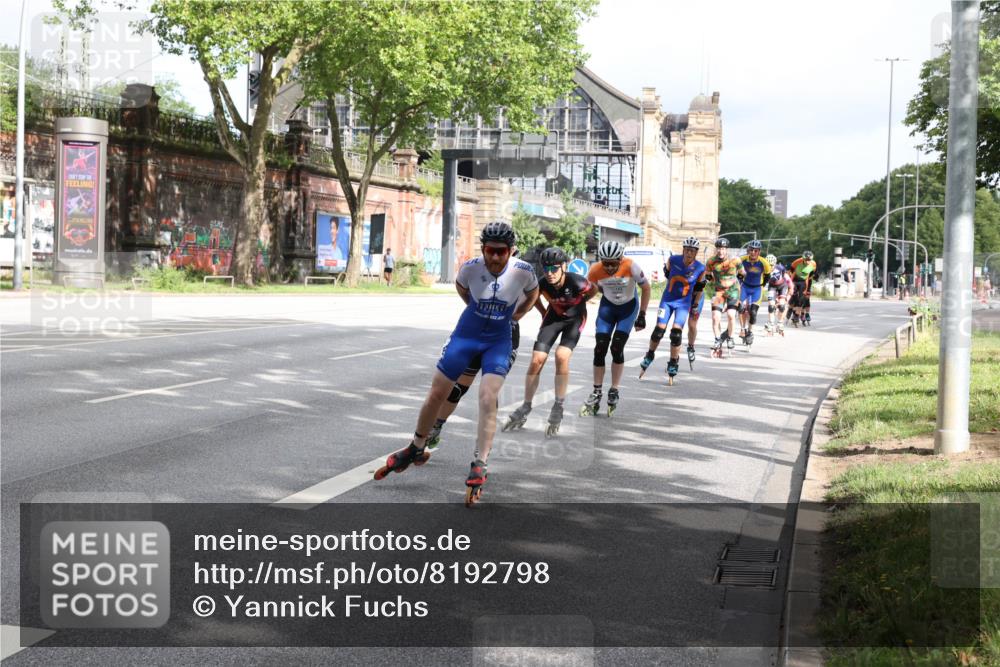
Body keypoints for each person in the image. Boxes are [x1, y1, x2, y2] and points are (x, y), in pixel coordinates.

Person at [374, 222, 539, 506]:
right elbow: (462, 290)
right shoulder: (470, 268)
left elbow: (533, 295)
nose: (495, 257)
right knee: (438, 392)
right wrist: (478, 310)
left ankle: (480, 463)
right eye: (490, 251)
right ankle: (416, 445)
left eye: (501, 252)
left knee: (487, 396)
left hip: (499, 340)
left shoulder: (523, 271)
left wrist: (516, 315)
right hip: (467, 334)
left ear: (511, 251)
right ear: (483, 249)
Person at [503, 247, 597, 436]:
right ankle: (526, 405)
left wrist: (582, 301)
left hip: (574, 320)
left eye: (554, 268)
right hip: (553, 318)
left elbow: (593, 290)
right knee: (536, 360)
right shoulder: (543, 283)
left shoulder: (577, 282)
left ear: (564, 267)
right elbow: (532, 299)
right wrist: (541, 311)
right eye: (546, 269)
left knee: (561, 356)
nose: (550, 273)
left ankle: (558, 405)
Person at [580, 240, 651, 417]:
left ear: (620, 259)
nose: (610, 267)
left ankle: (614, 389)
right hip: (608, 309)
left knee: (617, 347)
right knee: (600, 348)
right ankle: (597, 391)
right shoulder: (595, 270)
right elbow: (589, 291)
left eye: (613, 263)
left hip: (628, 308)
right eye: (606, 263)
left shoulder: (631, 266)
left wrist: (642, 314)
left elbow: (646, 288)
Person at [639, 236, 706, 384]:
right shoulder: (673, 260)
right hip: (667, 301)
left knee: (676, 333)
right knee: (659, 331)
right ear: (683, 250)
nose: (689, 253)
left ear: (696, 253)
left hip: (683, 304)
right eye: (687, 250)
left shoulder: (700, 268)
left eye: (692, 251)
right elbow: (668, 274)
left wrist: (695, 304)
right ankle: (649, 355)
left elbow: (699, 289)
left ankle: (673, 362)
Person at [705, 238, 745, 357]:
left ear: (727, 249)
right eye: (718, 248)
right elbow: (708, 276)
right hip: (719, 291)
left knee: (731, 315)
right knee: (715, 317)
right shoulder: (711, 262)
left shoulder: (735, 260)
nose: (720, 251)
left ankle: (730, 338)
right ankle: (717, 339)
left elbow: (742, 274)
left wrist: (737, 288)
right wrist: (714, 283)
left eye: (723, 249)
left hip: (733, 291)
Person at [737, 239, 771, 347]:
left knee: (753, 312)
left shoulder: (764, 263)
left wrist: (762, 286)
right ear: (748, 250)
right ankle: (743, 329)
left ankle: (750, 332)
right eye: (751, 250)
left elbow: (767, 277)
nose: (753, 252)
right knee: (740, 308)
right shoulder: (742, 260)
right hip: (745, 287)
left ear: (759, 252)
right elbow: (735, 271)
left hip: (757, 288)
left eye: (756, 251)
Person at [789, 250, 817, 325]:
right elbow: (791, 272)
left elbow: (812, 275)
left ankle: (805, 313)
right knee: (795, 296)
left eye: (809, 260)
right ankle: (794, 312)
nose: (808, 261)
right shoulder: (796, 262)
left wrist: (808, 287)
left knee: (806, 297)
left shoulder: (813, 264)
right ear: (803, 259)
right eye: (806, 260)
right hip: (795, 279)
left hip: (806, 280)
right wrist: (790, 284)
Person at [765, 261, 793, 336]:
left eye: (772, 265)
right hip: (772, 287)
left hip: (782, 286)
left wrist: (788, 296)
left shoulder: (780, 269)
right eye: (768, 265)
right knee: (771, 306)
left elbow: (790, 286)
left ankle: (780, 323)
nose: (770, 267)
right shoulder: (764, 269)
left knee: (782, 306)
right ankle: (771, 324)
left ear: (775, 264)